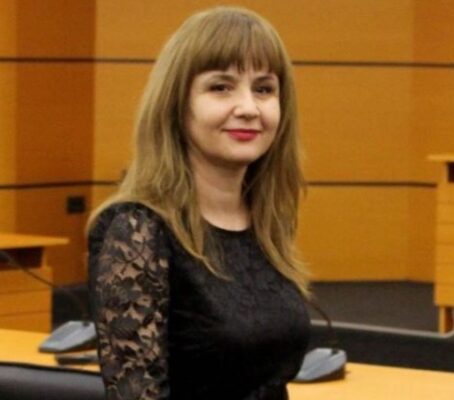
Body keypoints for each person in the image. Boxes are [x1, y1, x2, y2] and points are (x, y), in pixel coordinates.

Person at [87, 6, 311, 400]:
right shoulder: (138, 230)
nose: (248, 108)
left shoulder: (264, 220)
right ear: (177, 103)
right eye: (221, 87)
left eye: (263, 89)